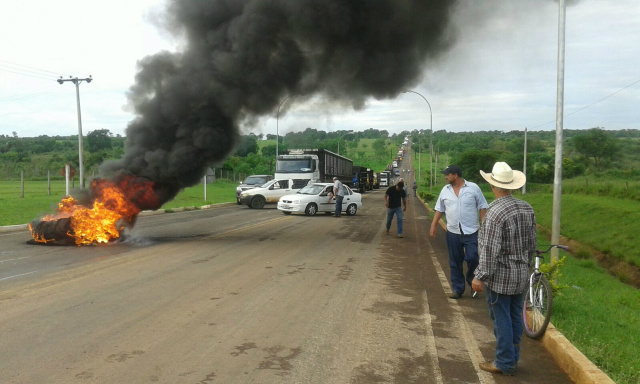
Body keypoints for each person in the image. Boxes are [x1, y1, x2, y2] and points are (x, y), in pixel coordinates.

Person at [472, 162, 536, 376]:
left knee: (502, 319)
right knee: (515, 316)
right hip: (520, 275)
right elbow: (531, 244)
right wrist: (525, 265)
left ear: (493, 185)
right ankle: (512, 357)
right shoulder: (527, 208)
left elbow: (490, 249)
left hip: (500, 277)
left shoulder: (495, 212)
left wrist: (480, 276)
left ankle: (504, 362)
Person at [430, 165, 488, 299]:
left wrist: (484, 227)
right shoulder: (445, 190)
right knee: (455, 261)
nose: (445, 177)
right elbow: (440, 209)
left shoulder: (473, 188)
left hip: (472, 231)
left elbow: (482, 207)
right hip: (452, 232)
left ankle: (472, 280)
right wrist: (433, 225)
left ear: (455, 175)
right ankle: (458, 289)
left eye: (447, 174)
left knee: (473, 257)